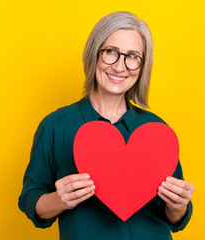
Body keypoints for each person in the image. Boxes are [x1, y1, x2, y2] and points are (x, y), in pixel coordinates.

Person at [18, 11, 194, 240]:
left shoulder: (156, 130)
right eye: (111, 52)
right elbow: (31, 200)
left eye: (132, 56)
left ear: (142, 66)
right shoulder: (55, 127)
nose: (120, 67)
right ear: (94, 54)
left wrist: (178, 205)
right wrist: (59, 200)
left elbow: (175, 216)